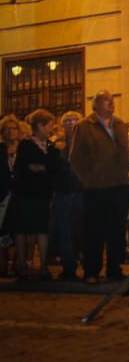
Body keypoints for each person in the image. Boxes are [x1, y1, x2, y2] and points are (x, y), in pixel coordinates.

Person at [70, 90, 129, 284]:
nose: (110, 104)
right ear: (95, 105)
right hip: (96, 188)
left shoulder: (120, 125)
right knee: (94, 230)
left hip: (119, 185)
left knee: (117, 230)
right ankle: (92, 270)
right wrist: (87, 180)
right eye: (105, 101)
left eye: (112, 101)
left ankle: (114, 268)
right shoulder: (84, 127)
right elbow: (75, 158)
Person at [11, 109, 62, 279]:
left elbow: (54, 166)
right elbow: (26, 169)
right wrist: (44, 167)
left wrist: (43, 167)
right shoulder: (26, 145)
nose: (51, 130)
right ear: (39, 126)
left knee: (42, 230)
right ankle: (21, 264)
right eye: (49, 126)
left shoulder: (50, 147)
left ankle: (43, 266)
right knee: (22, 229)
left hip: (43, 194)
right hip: (25, 194)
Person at [50, 111, 83, 280]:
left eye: (75, 120)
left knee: (81, 230)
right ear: (62, 125)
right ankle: (68, 267)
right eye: (68, 121)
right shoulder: (57, 146)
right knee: (64, 231)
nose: (72, 123)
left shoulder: (87, 144)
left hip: (82, 192)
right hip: (63, 193)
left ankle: (83, 262)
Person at [0, 114, 21, 277]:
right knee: (2, 229)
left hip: (19, 194)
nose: (10, 132)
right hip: (3, 194)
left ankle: (15, 263)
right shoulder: (0, 149)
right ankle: (2, 264)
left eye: (13, 128)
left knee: (16, 229)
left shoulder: (23, 148)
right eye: (7, 129)